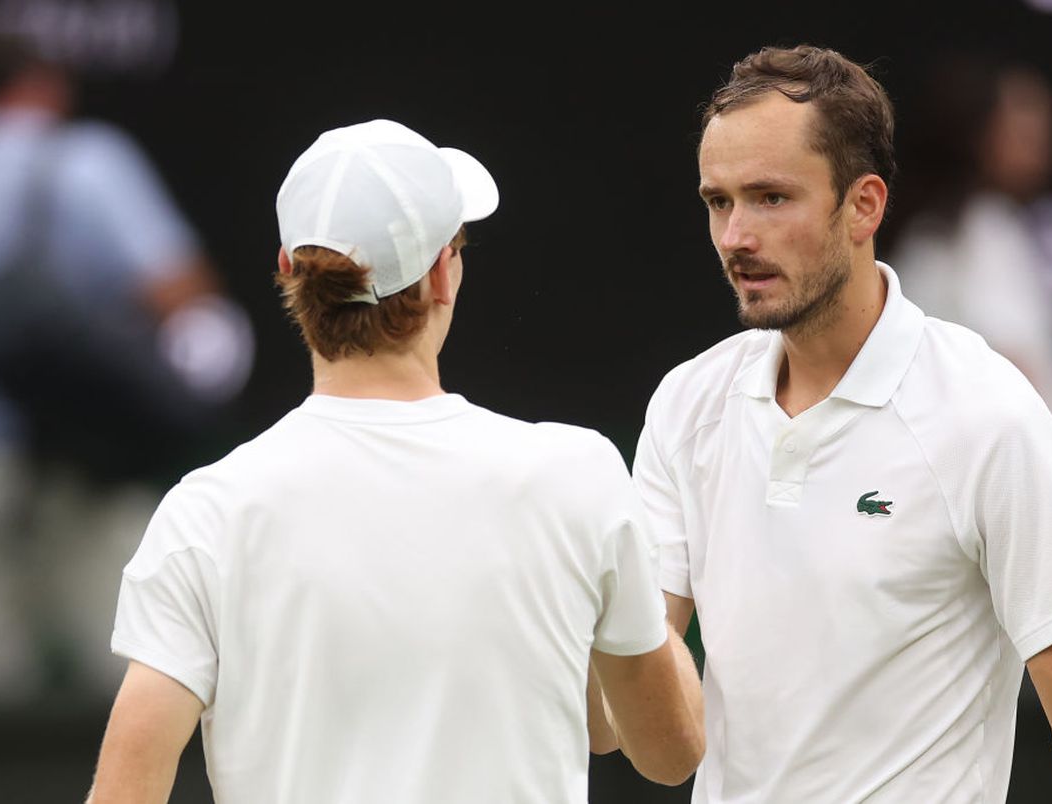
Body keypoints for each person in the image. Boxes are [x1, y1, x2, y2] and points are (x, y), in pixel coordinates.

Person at [86, 119, 704, 803]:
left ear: (291, 272)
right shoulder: (576, 474)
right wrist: (647, 585)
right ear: (443, 274)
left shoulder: (207, 512)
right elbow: (666, 751)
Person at [629, 44, 1052, 802]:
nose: (736, 236)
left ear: (865, 204)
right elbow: (648, 737)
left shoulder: (987, 416)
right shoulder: (687, 402)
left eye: (771, 197)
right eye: (718, 201)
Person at [0, 34, 252, 704]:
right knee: (123, 681)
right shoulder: (87, 164)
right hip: (86, 464)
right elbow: (187, 302)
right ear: (46, 85)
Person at [888, 52, 1052, 587]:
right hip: (996, 507)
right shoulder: (980, 236)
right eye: (1025, 127)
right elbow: (1017, 370)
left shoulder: (948, 233)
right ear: (977, 136)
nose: (1046, 142)